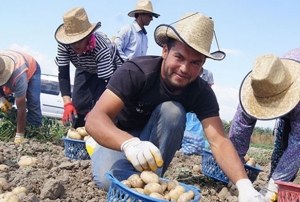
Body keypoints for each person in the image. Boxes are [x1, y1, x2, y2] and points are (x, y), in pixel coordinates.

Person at [85, 12, 266, 201]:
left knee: (173, 111)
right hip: (119, 135)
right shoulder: (136, 72)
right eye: (179, 57)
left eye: (195, 62)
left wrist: (244, 186)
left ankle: (154, 178)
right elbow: (95, 118)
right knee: (108, 181)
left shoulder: (201, 92)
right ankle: (100, 146)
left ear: (203, 64)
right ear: (165, 51)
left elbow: (219, 141)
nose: (185, 69)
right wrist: (130, 144)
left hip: (153, 141)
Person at [229, 48, 300, 201]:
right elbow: (239, 129)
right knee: (280, 144)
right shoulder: (260, 83)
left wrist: (275, 184)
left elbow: (298, 143)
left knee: (290, 153)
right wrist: (236, 171)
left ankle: (276, 187)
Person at [54, 7, 123, 128]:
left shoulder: (101, 48)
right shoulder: (64, 45)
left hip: (109, 71)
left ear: (87, 35)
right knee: (78, 105)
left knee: (104, 111)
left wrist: (98, 110)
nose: (75, 45)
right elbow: (63, 74)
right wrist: (67, 104)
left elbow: (105, 83)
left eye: (79, 40)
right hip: (84, 68)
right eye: (72, 41)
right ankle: (78, 133)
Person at [0, 50, 42, 143]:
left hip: (32, 68)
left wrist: (20, 134)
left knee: (33, 102)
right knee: (5, 106)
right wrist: (1, 99)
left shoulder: (19, 77)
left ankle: (35, 132)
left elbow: (21, 107)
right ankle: (11, 125)